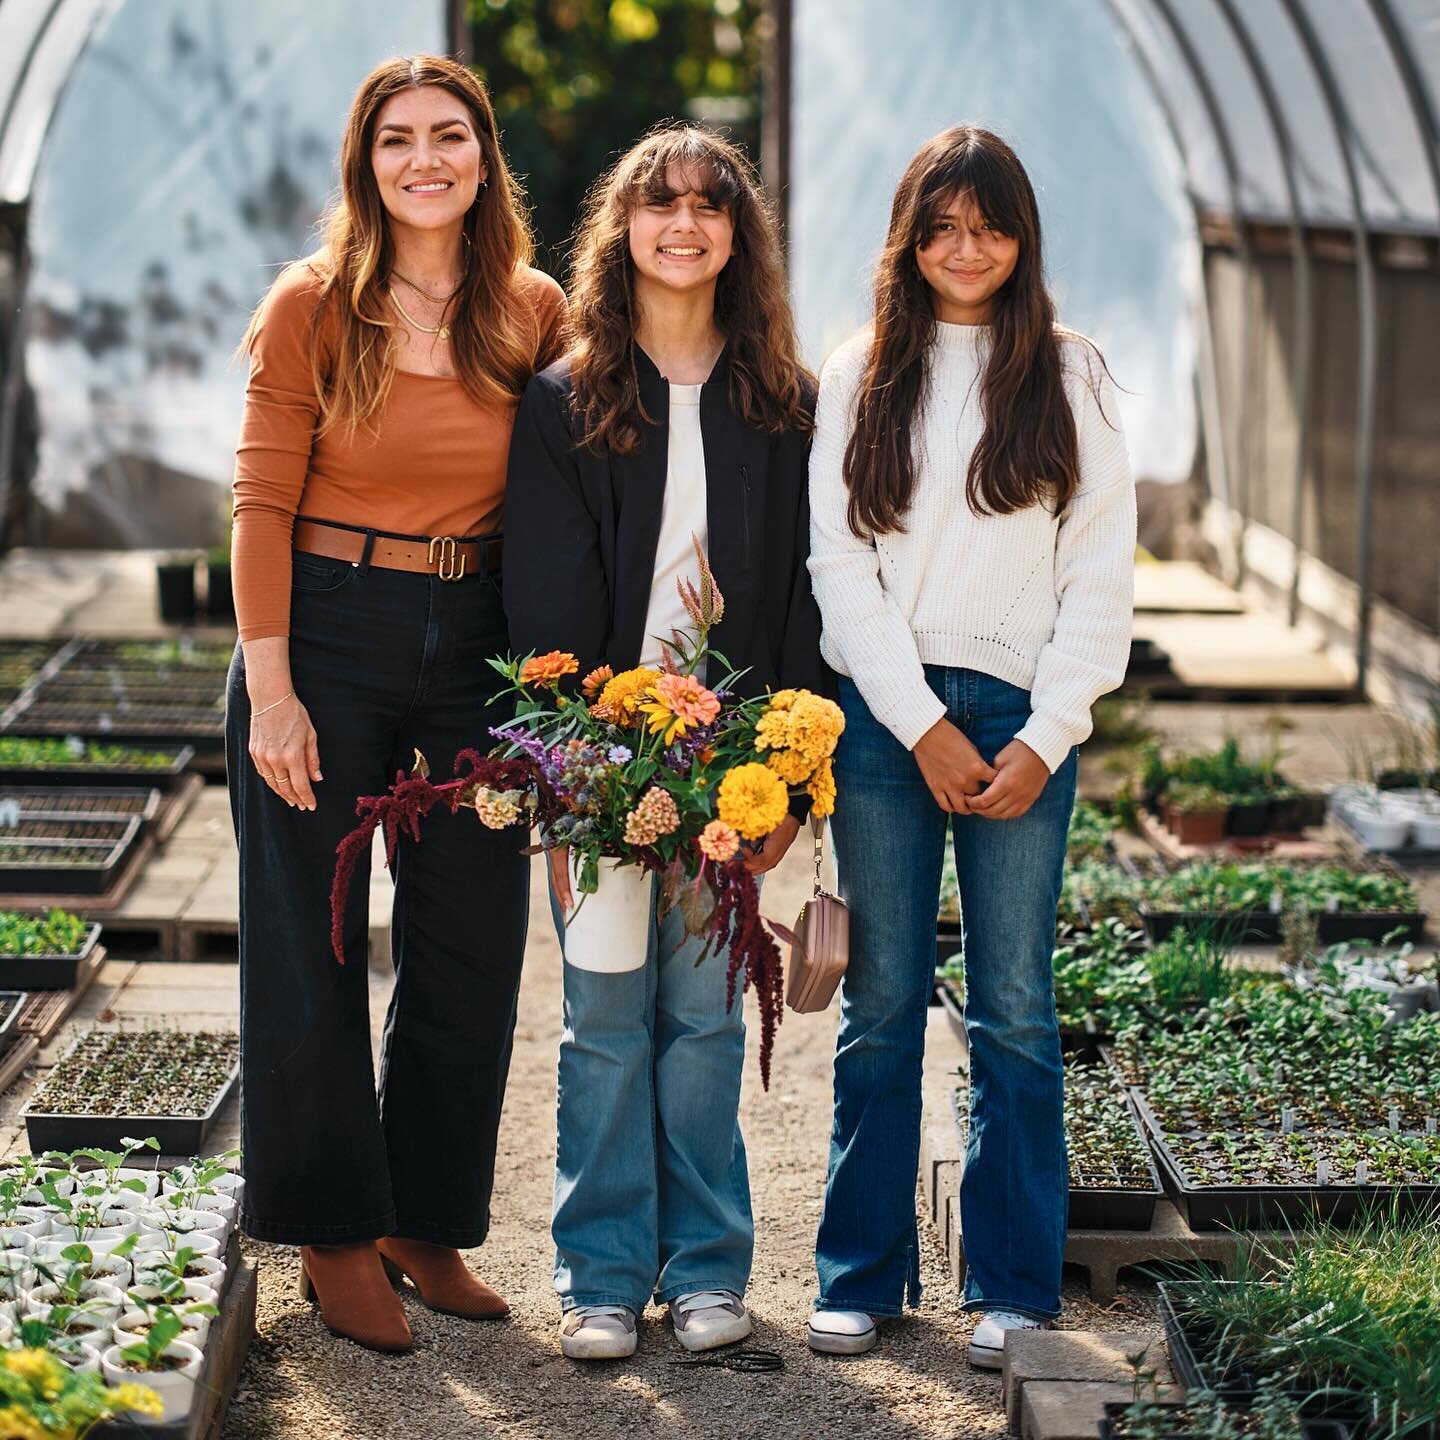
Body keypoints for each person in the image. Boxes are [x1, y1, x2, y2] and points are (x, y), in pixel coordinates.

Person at [227, 54, 565, 1354]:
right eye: (397, 141)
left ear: (485, 157)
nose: (426, 159)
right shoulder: (310, 306)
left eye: (451, 136)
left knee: (471, 933)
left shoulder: (532, 307)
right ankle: (329, 1229)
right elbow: (258, 501)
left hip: (477, 636)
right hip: (323, 629)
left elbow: (603, 462)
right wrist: (271, 692)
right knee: (311, 935)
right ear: (365, 166)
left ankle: (426, 1220)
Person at [804, 125, 1135, 1366]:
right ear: (909, 238)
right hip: (893, 730)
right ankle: (861, 1275)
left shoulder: (1074, 372)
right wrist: (922, 724)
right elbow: (840, 569)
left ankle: (1013, 1289)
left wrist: (1047, 735)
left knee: (1013, 1009)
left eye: (989, 226)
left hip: (1024, 723)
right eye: (940, 226)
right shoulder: (860, 371)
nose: (966, 248)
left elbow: (1102, 581)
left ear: (1022, 237)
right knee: (881, 1004)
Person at [504, 124, 825, 1361]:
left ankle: (703, 1271)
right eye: (658, 204)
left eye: (709, 206)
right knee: (599, 1019)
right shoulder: (565, 401)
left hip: (731, 773)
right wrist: (593, 768)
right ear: (623, 229)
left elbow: (801, 602)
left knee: (701, 1020)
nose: (682, 224)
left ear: (738, 238)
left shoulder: (781, 411)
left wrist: (788, 778)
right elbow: (544, 605)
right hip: (601, 774)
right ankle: (599, 1275)